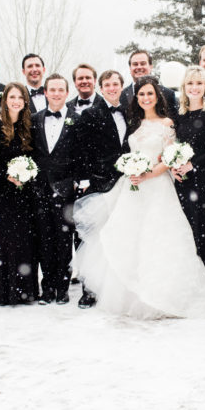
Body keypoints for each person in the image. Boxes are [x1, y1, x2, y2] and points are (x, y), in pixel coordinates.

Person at [72, 76, 205, 319]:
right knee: (129, 239)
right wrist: (131, 170)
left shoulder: (168, 123)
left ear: (157, 96)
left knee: (158, 240)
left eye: (150, 94)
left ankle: (161, 295)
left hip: (158, 187)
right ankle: (130, 295)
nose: (146, 98)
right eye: (141, 94)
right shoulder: (134, 123)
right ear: (136, 98)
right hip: (133, 189)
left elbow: (169, 157)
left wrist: (149, 173)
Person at [74, 69, 130, 308]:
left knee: (121, 235)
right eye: (107, 85)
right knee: (94, 236)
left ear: (121, 85)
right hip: (100, 181)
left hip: (128, 183)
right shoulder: (90, 114)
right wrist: (86, 178)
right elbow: (82, 150)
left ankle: (118, 287)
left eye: (115, 84)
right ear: (101, 87)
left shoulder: (132, 112)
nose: (111, 88)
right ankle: (89, 289)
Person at [172, 65, 205, 295]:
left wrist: (194, 163)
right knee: (186, 235)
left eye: (199, 83)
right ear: (184, 86)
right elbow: (172, 146)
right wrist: (174, 167)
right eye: (190, 83)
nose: (194, 87)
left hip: (204, 182)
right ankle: (188, 288)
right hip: (182, 184)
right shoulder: (179, 114)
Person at [31, 73, 82, 305]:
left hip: (66, 189)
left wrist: (74, 180)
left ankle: (62, 287)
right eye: (52, 89)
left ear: (67, 92)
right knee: (44, 240)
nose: (56, 93)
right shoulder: (34, 119)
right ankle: (47, 287)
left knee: (63, 240)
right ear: (45, 92)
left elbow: (83, 154)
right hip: (39, 189)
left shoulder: (77, 119)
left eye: (61, 89)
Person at [0, 83, 39, 305]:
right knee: (6, 240)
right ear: (5, 100)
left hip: (26, 193)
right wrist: (7, 175)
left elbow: (36, 158)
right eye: (12, 96)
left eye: (20, 97)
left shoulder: (29, 125)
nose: (16, 101)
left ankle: (25, 290)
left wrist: (27, 174)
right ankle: (6, 291)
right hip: (3, 192)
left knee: (25, 240)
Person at [119, 49, 179, 116]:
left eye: (143, 63)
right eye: (135, 64)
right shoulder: (121, 95)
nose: (139, 67)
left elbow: (175, 122)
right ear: (130, 68)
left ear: (151, 67)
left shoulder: (168, 94)